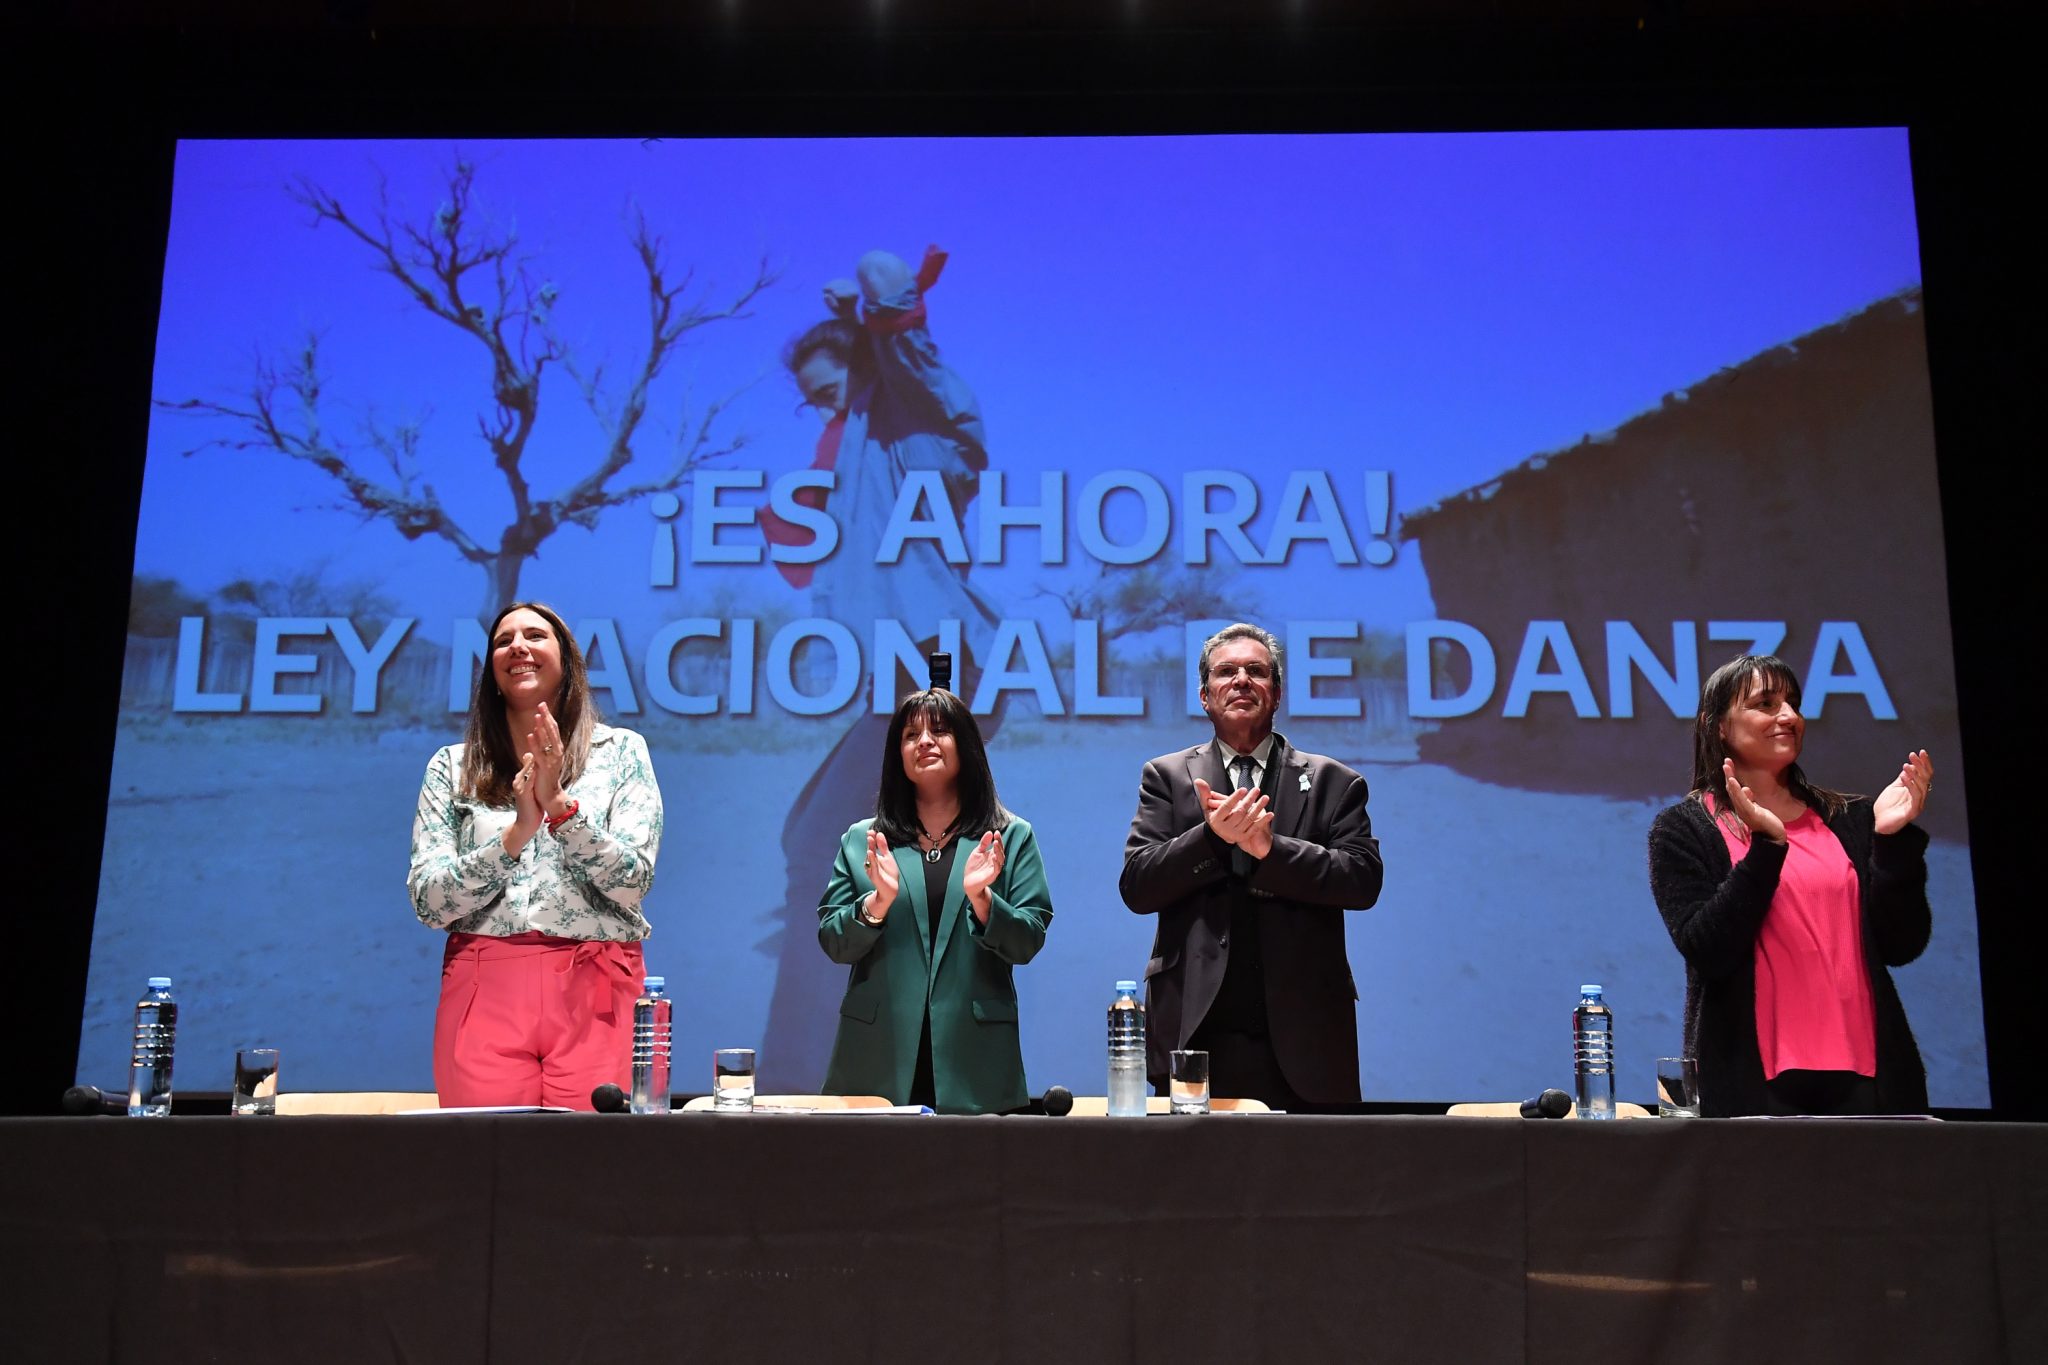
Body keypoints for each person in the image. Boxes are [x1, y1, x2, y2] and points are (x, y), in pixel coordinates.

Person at [760, 247, 1007, 1088]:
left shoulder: (912, 406)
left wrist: (876, 305)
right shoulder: (860, 448)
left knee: (823, 848)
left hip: (943, 663)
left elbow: (903, 323)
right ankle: (881, 1066)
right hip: (920, 670)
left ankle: (804, 1077)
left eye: (830, 389)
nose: (822, 409)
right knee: (833, 846)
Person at [1647, 654, 1934, 1117]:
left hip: (1869, 1077)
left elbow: (1901, 945)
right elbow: (1708, 949)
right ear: (1717, 725)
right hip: (1753, 1082)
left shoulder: (1850, 819)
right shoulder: (1684, 829)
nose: (1789, 716)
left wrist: (1890, 841)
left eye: (1793, 703)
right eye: (1765, 703)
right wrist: (1767, 848)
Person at [408, 602, 664, 1110]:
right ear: (491, 671)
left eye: (535, 635)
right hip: (484, 984)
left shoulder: (622, 752)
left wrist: (561, 811)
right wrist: (518, 833)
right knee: (486, 1166)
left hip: (598, 985)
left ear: (567, 660)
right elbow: (430, 903)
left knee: (593, 1167)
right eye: (504, 641)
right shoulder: (453, 766)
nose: (518, 647)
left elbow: (633, 882)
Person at [1119, 622, 1384, 1110]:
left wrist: (1271, 850)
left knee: (1309, 1184)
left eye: (1256, 671)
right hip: (1198, 1029)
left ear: (1277, 693)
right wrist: (1211, 838)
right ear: (1205, 695)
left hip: (1306, 1036)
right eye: (1226, 671)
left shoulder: (1335, 782)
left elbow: (1363, 880)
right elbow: (1138, 886)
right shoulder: (1166, 777)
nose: (1241, 680)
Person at [817, 687, 1053, 1114]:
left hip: (974, 1058)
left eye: (940, 731)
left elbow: (1027, 941)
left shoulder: (1010, 836)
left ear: (967, 746)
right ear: (897, 755)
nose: (924, 741)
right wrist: (876, 905)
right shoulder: (863, 840)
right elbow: (835, 943)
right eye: (910, 735)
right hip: (878, 1053)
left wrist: (983, 901)